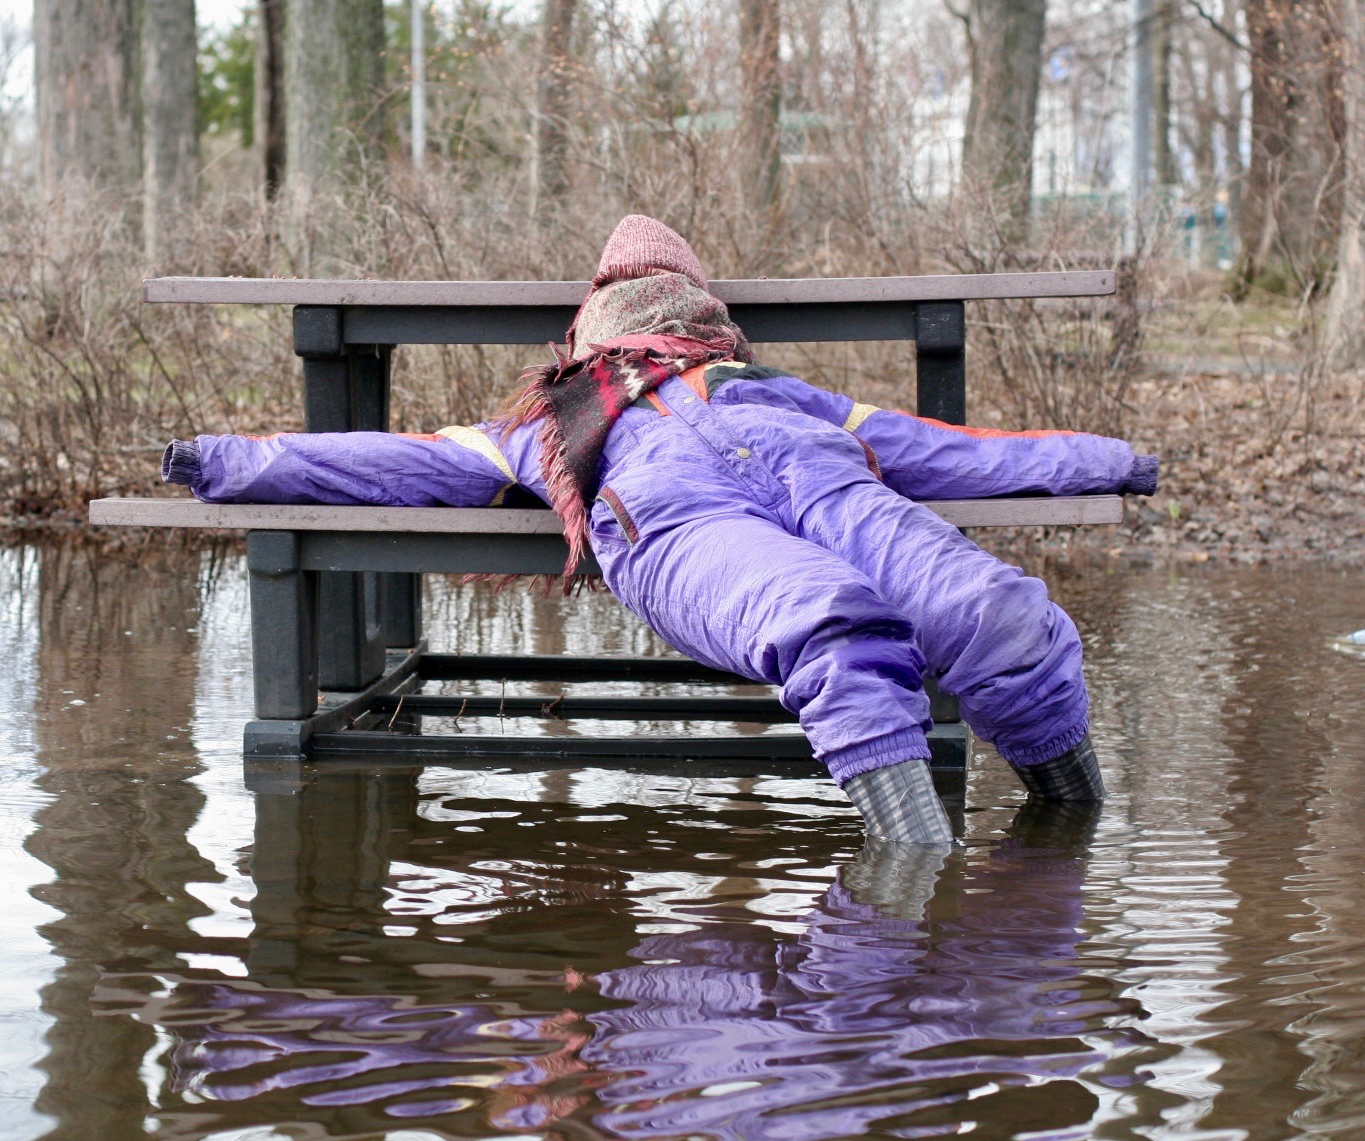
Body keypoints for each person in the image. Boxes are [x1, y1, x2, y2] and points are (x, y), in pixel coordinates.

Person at [160, 216, 1158, 844]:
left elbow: (952, 452)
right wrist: (226, 462)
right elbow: (405, 462)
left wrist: (1110, 461)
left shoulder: (772, 389)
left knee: (998, 615)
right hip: (677, 522)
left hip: (819, 483)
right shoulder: (557, 418)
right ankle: (914, 881)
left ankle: (1057, 839)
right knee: (831, 625)